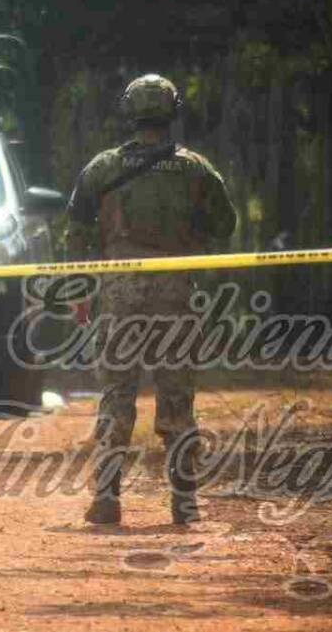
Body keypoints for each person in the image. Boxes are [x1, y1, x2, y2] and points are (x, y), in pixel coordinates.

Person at [65, 74, 237, 525]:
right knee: (177, 395)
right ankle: (184, 501)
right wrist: (189, 240)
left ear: (128, 112)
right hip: (175, 291)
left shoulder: (102, 168)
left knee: (116, 393)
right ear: (173, 111)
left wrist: (81, 289)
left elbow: (76, 231)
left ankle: (106, 497)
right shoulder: (196, 169)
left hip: (119, 292)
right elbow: (225, 224)